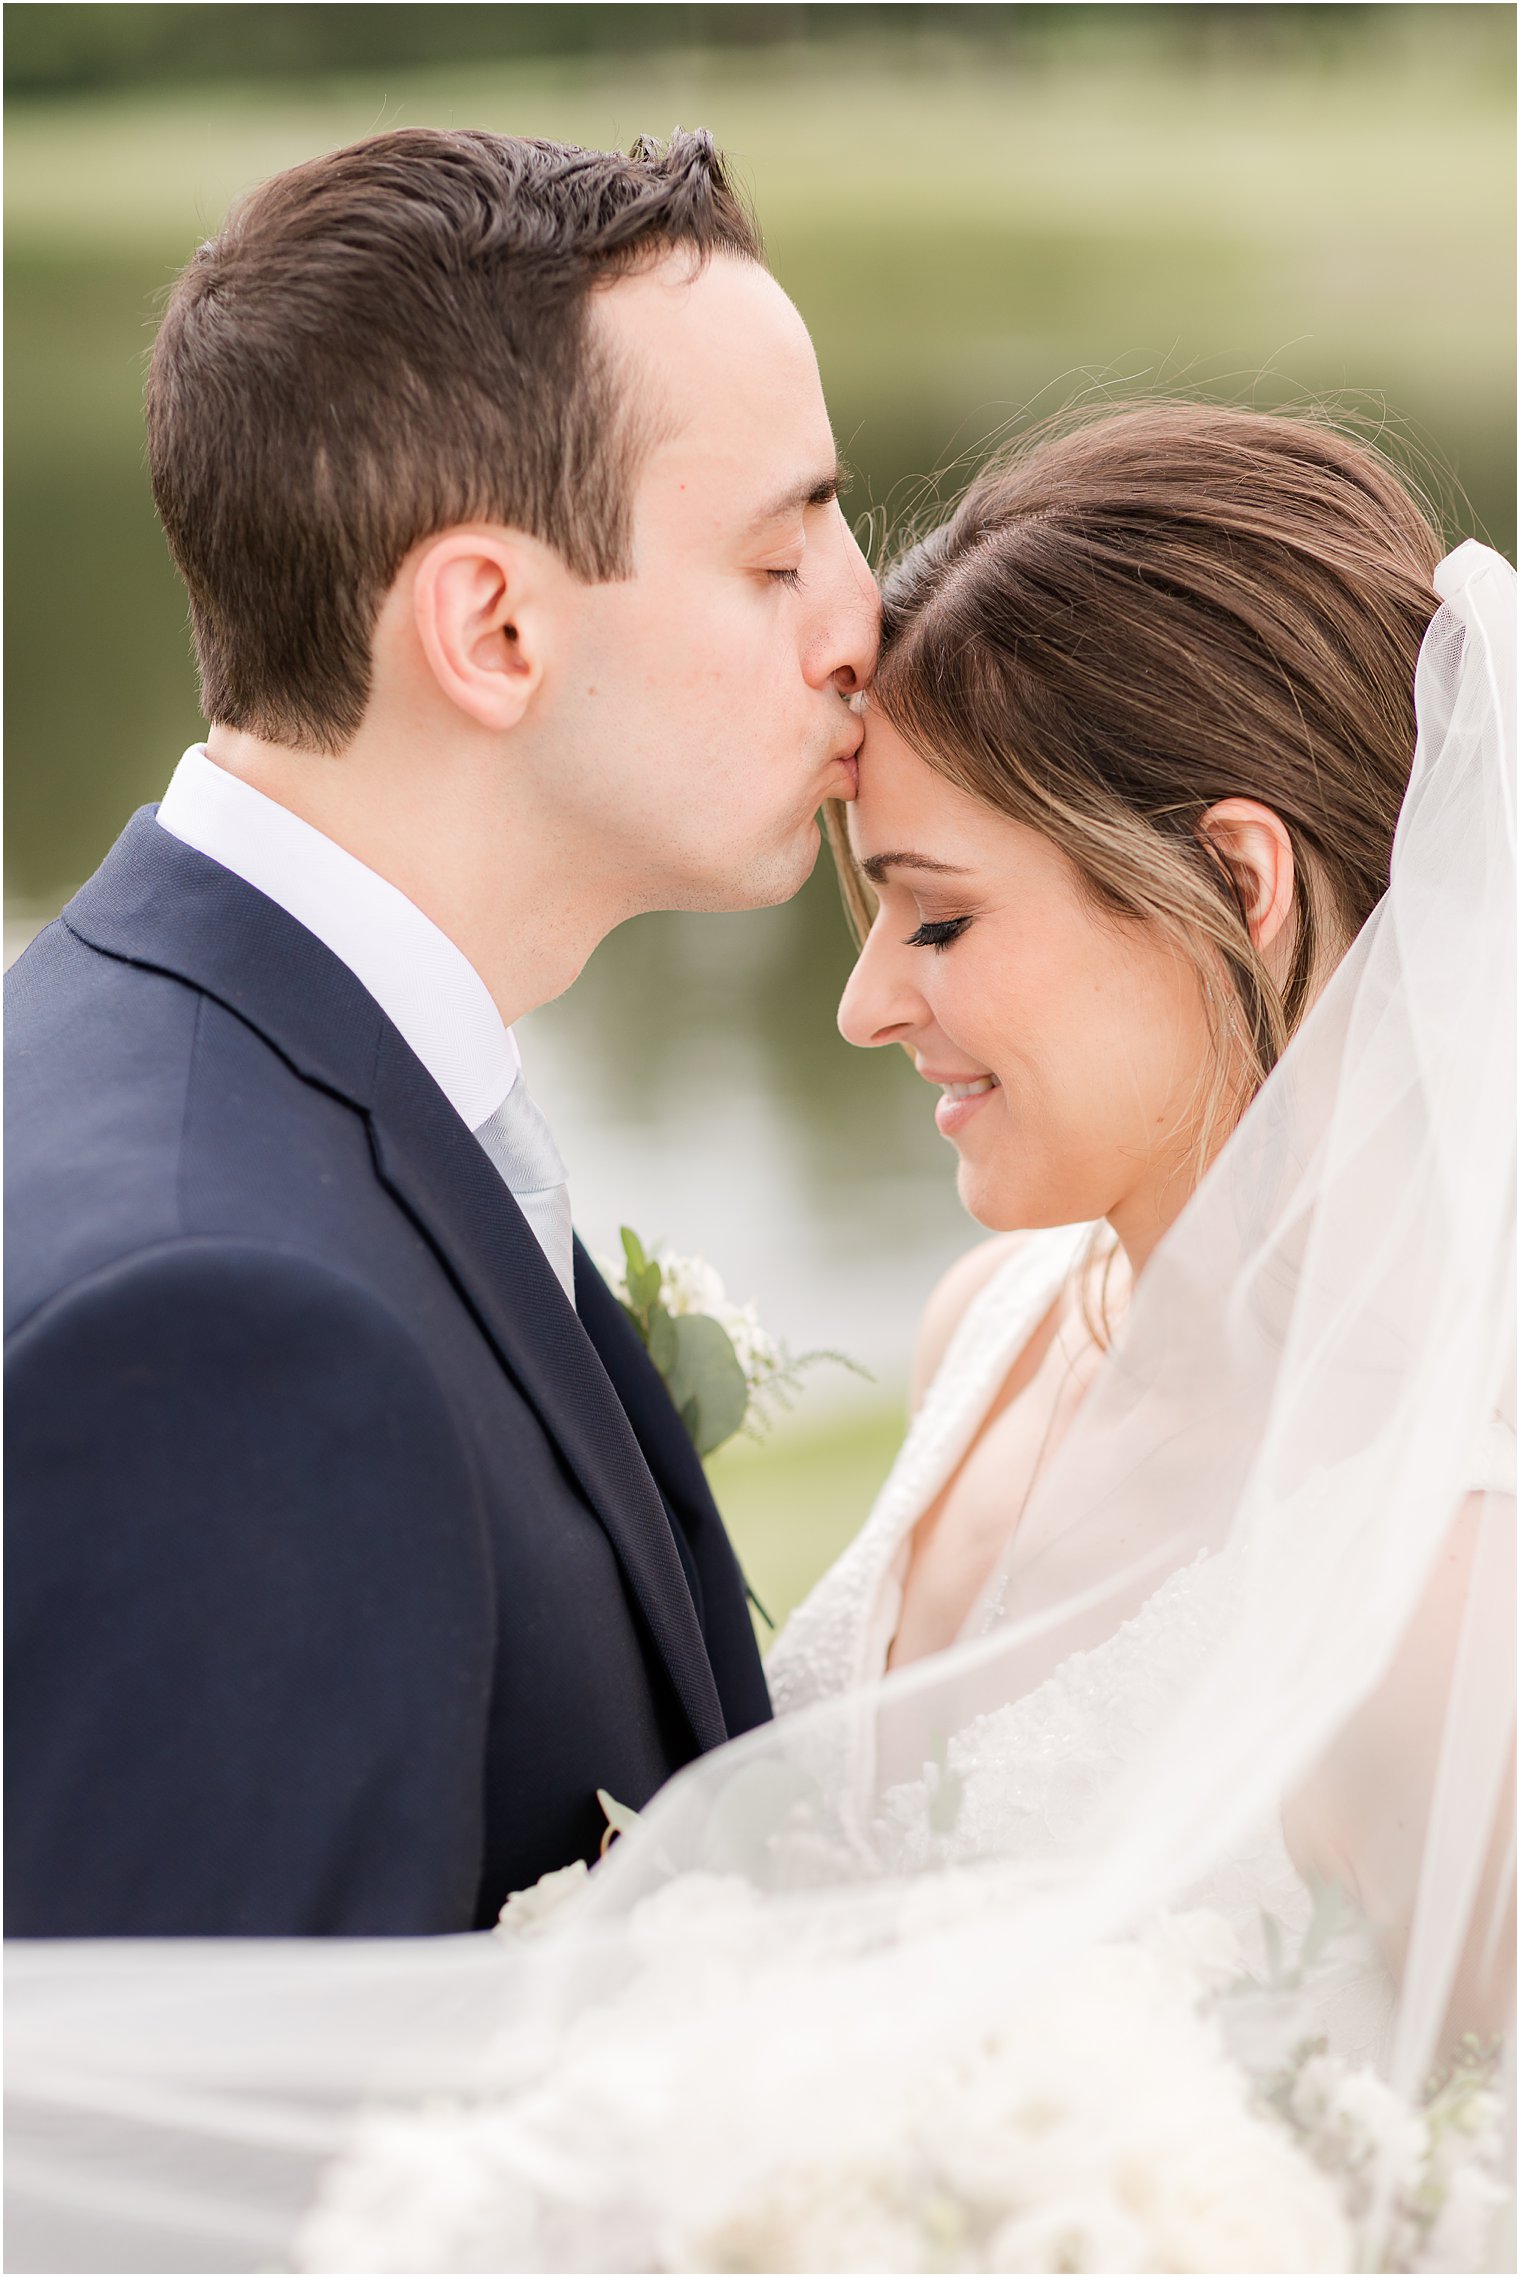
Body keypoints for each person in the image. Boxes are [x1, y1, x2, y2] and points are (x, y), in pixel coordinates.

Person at [5, 405, 1511, 2277]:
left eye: (939, 919)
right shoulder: (991, 1333)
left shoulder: (1441, 1584)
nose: (870, 1006)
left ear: (1241, 880)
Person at [4, 126, 877, 1937]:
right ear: (489, 625)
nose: (867, 622)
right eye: (779, 556)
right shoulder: (220, 1336)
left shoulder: (209, 1056)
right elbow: (206, 2186)